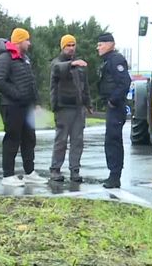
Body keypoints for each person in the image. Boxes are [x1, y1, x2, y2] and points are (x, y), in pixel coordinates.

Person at [0, 27, 46, 187]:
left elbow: (31, 81)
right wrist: (17, 95)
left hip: (27, 106)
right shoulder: (5, 58)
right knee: (12, 139)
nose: (29, 43)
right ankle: (8, 175)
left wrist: (35, 102)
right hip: (12, 105)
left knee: (29, 139)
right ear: (19, 41)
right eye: (27, 40)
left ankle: (29, 172)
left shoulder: (25, 58)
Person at [49, 34, 92, 183]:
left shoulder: (79, 65)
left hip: (78, 108)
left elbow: (85, 86)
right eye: (68, 45)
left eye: (73, 45)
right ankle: (55, 169)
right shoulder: (58, 63)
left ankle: (75, 170)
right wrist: (71, 65)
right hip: (63, 107)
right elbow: (57, 69)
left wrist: (88, 104)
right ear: (62, 47)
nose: (71, 48)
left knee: (77, 141)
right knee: (61, 141)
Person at [97, 32, 131, 188]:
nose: (98, 47)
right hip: (113, 106)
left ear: (110, 44)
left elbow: (124, 82)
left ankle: (115, 176)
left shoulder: (115, 59)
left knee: (113, 141)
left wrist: (112, 100)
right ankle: (113, 175)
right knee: (111, 140)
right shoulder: (108, 60)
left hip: (116, 107)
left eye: (101, 44)